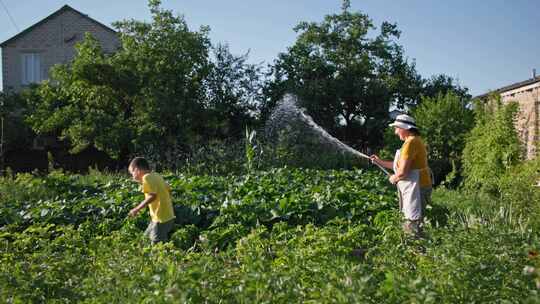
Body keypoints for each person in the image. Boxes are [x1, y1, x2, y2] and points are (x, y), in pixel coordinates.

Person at [370, 114, 432, 237]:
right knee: (414, 222)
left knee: (412, 222)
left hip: (416, 187)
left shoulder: (411, 142)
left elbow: (402, 172)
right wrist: (379, 162)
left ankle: (415, 251)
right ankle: (418, 250)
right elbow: (398, 166)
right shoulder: (413, 141)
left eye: (396, 128)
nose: (395, 132)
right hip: (417, 186)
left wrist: (394, 177)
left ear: (404, 128)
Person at [128, 157, 176, 244]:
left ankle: (167, 256)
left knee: (156, 243)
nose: (132, 177)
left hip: (161, 218)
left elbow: (152, 196)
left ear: (137, 170)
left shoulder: (146, 178)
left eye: (132, 173)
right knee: (145, 238)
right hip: (165, 216)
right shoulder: (156, 175)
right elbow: (168, 189)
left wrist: (136, 209)